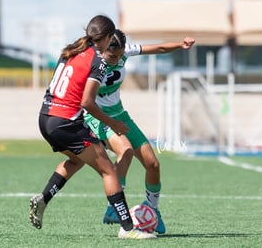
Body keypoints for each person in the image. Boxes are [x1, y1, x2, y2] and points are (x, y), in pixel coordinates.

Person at [29, 15, 156, 239]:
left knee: (77, 160)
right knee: (109, 170)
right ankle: (128, 229)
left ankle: (44, 198)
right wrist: (113, 123)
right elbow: (87, 102)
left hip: (46, 117)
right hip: (66, 121)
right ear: (107, 37)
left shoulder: (69, 50)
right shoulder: (98, 60)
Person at [84, 29, 195, 234]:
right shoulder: (91, 59)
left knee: (153, 164)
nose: (115, 60)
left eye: (119, 56)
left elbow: (158, 48)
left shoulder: (125, 52)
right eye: (111, 56)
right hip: (97, 117)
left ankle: (152, 210)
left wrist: (180, 45)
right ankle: (113, 208)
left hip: (120, 115)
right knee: (125, 151)